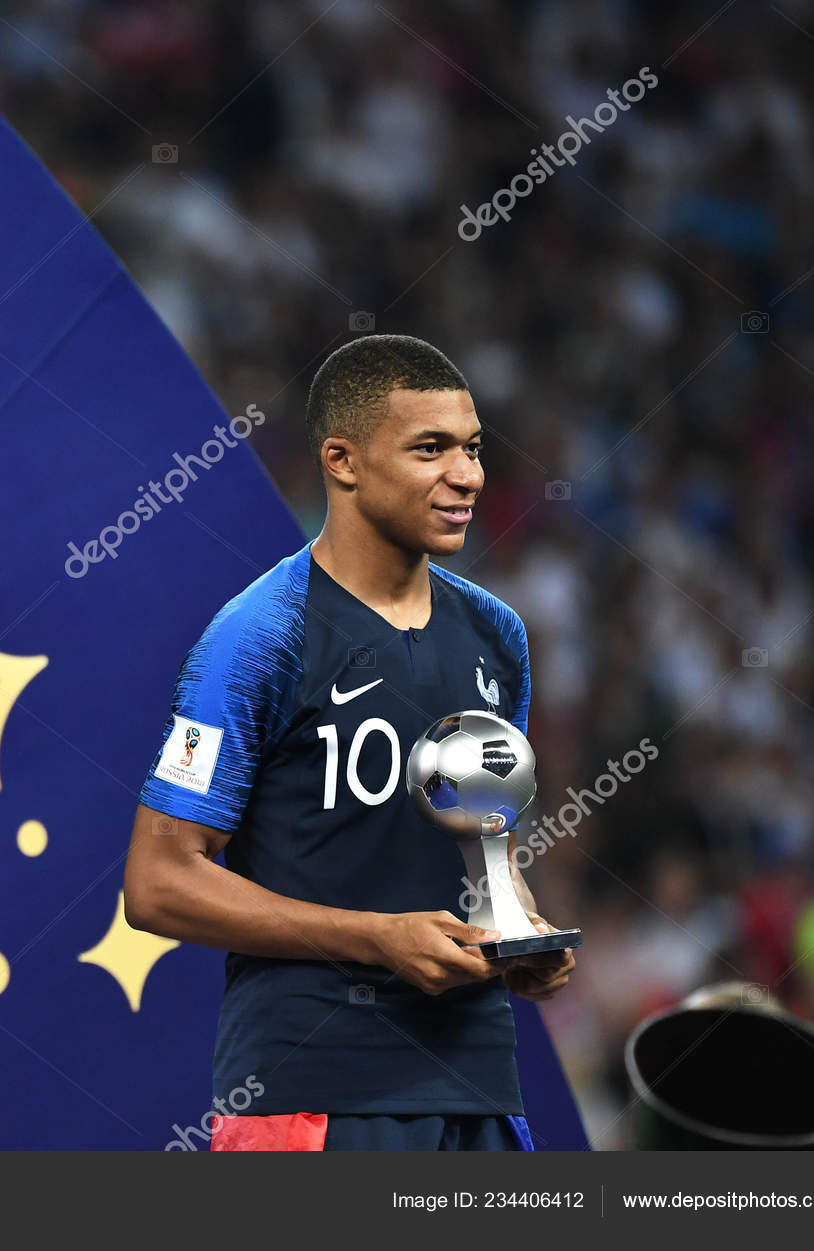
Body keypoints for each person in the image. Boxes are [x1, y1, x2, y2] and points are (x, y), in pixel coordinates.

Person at [123, 334, 574, 1151]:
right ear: (344, 460)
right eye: (430, 449)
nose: (467, 475)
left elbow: (487, 850)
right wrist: (375, 935)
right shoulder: (260, 633)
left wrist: (518, 927)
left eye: (472, 448)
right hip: (313, 1092)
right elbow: (157, 882)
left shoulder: (499, 637)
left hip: (478, 1088)